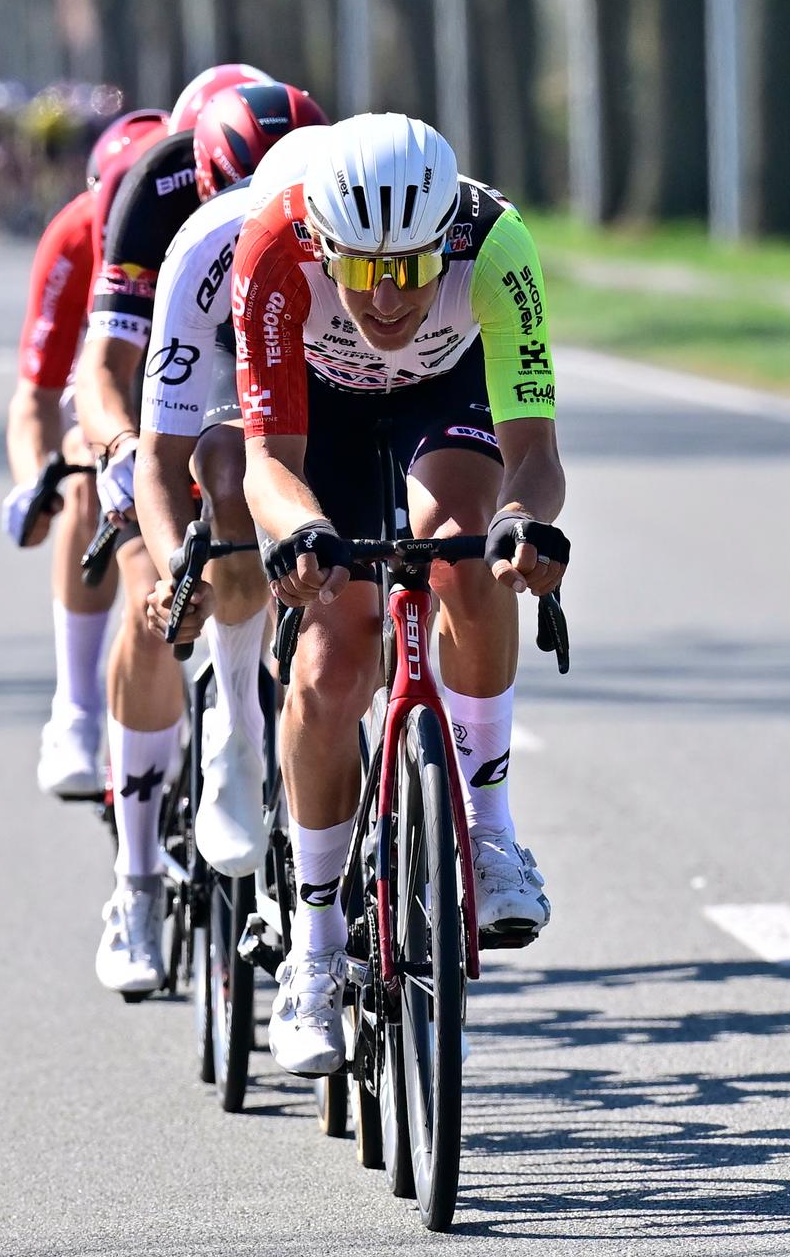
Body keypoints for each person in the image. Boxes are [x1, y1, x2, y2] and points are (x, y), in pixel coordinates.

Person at [229, 113, 570, 1075]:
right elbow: (268, 463)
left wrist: (523, 524)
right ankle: (314, 947)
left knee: (467, 550)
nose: (387, 298)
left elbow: (536, 456)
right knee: (332, 656)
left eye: (413, 269)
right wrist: (302, 532)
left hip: (444, 395)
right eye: (364, 269)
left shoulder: (497, 246)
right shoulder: (273, 250)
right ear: (322, 244)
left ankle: (490, 835)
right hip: (320, 410)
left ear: (445, 242)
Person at [73, 66, 315, 997]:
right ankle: (135, 883)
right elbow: (107, 367)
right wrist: (122, 452)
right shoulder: (157, 192)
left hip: (293, 356)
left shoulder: (332, 186)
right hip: (175, 379)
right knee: (156, 602)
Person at [131, 85, 329, 879]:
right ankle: (236, 731)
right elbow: (157, 456)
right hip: (226, 347)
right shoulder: (204, 242)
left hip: (341, 337)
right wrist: (175, 572)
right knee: (226, 471)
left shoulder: (354, 216)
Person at [0, 108, 168, 799]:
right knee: (79, 464)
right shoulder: (73, 235)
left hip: (193, 387)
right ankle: (74, 710)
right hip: (113, 397)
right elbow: (36, 398)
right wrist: (34, 482)